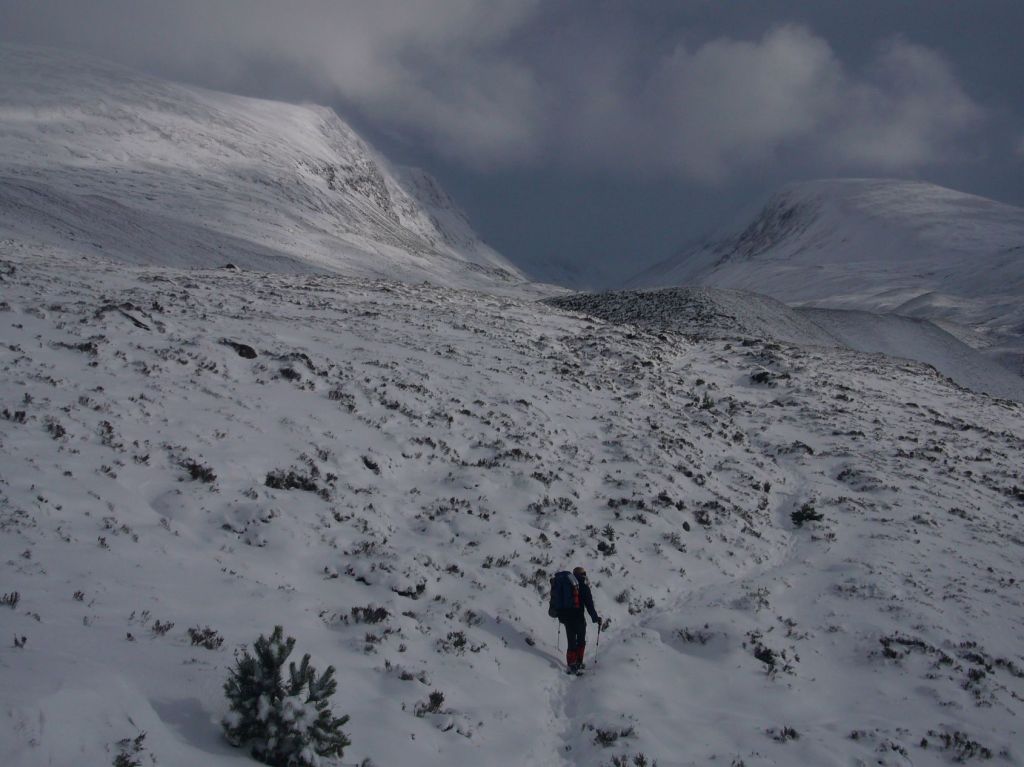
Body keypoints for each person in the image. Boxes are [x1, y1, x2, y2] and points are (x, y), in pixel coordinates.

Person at [550, 566, 601, 673]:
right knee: (581, 640)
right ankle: (578, 662)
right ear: (582, 575)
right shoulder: (583, 587)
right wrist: (596, 618)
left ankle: (571, 664)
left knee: (571, 640)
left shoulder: (566, 585)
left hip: (566, 617)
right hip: (578, 618)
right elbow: (589, 606)